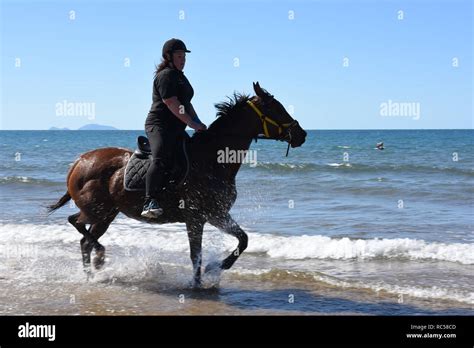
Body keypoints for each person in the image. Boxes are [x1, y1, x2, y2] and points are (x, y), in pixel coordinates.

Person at [142, 38, 207, 218]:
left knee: (194, 155)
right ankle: (150, 200)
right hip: (159, 125)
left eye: (184, 56)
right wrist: (192, 123)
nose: (183, 59)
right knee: (161, 155)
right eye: (179, 55)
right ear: (168, 56)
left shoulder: (181, 78)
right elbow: (172, 103)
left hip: (177, 128)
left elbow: (187, 104)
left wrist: (199, 124)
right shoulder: (165, 76)